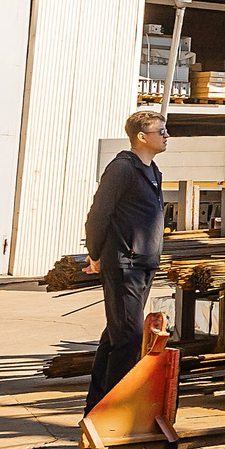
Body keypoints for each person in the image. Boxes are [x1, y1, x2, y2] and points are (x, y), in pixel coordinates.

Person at [82, 109, 170, 415]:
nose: (166, 135)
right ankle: (114, 412)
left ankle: (96, 409)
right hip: (124, 263)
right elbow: (98, 215)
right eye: (161, 131)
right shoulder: (122, 168)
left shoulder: (153, 172)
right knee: (129, 338)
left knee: (115, 335)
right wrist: (95, 255)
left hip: (144, 264)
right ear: (142, 137)